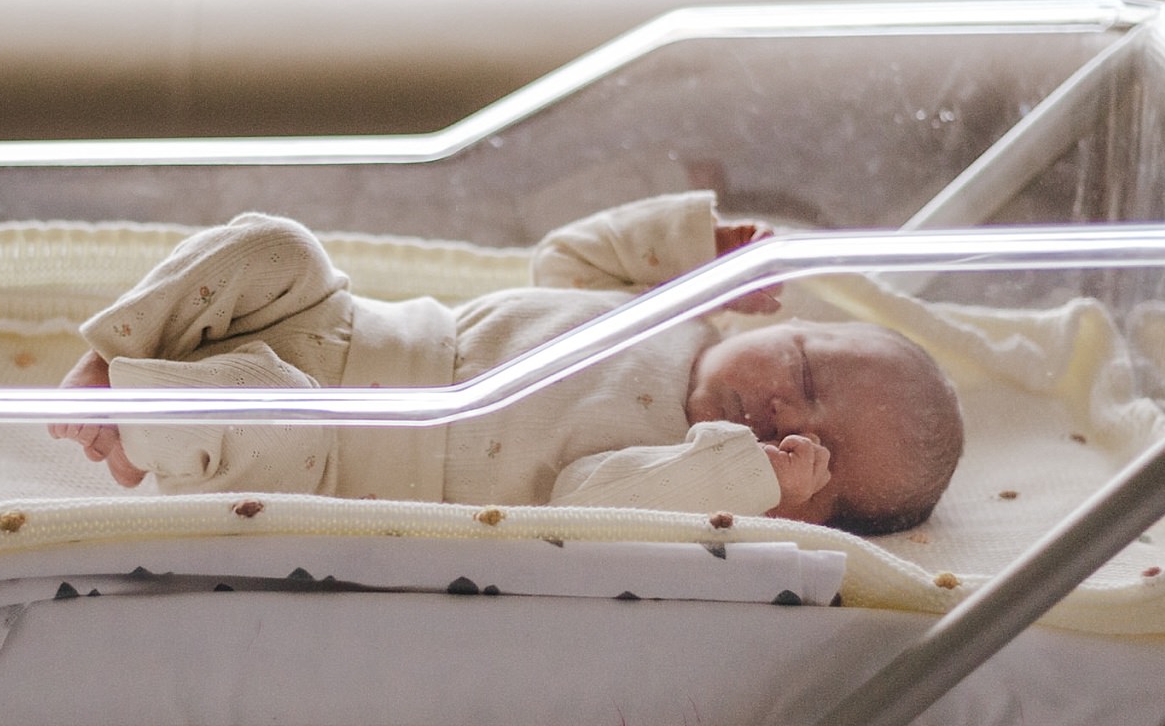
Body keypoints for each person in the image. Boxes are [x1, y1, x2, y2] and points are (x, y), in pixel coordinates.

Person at [50, 192, 963, 534]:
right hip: (342, 323)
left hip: (330, 446)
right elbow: (567, 262)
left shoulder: (676, 471)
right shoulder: (670, 314)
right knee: (274, 243)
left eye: (816, 456)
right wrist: (689, 248)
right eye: (803, 374)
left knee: (261, 402)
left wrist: (736, 475)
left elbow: (585, 504)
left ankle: (139, 421)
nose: (785, 417)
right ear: (780, 320)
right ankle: (116, 356)